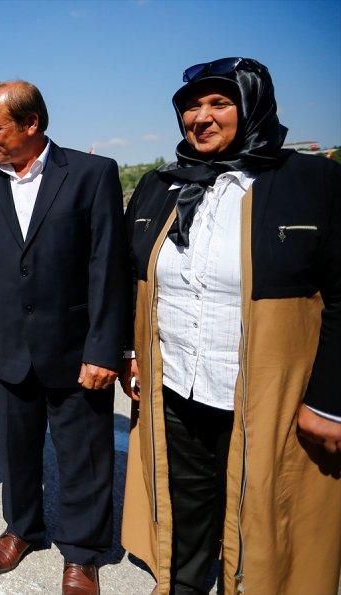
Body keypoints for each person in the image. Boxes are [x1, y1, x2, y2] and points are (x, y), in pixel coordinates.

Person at [120, 58, 341, 595]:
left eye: (219, 103)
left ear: (253, 105)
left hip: (271, 399)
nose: (201, 117)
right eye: (191, 106)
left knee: (264, 514)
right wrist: (134, 354)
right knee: (185, 505)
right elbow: (135, 281)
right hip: (177, 389)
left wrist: (329, 401)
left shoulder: (313, 181)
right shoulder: (160, 184)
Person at [0, 81, 130, 594]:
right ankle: (23, 528)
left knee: (84, 455)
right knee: (16, 449)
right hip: (9, 345)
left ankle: (82, 552)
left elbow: (108, 268)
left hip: (76, 349)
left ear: (30, 125)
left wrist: (105, 348)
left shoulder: (91, 174)